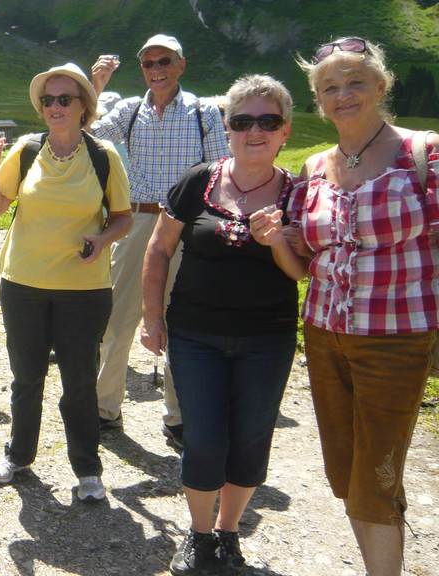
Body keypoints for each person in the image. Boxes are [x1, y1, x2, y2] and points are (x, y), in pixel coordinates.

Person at [283, 38, 439, 576]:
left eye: (354, 82)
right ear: (318, 100)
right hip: (325, 333)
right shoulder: (313, 166)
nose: (342, 95)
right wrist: (277, 239)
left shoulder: (423, 153)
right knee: (344, 467)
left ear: (380, 85)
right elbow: (307, 257)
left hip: (397, 336)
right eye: (330, 87)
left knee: (377, 471)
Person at [140, 75, 306, 575]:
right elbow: (158, 249)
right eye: (242, 121)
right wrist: (152, 319)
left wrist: (277, 240)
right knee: (205, 439)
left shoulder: (299, 193)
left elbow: (302, 272)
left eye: (267, 121)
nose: (254, 130)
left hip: (268, 339)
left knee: (251, 439)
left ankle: (229, 533)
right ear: (227, 129)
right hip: (195, 336)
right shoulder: (199, 181)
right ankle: (198, 535)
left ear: (285, 132)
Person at [0, 63, 131, 501]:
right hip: (23, 284)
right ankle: (18, 455)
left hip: (84, 290)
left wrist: (102, 240)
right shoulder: (26, 150)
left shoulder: (103, 156)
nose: (55, 106)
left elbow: (122, 217)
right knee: (26, 377)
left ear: (84, 105)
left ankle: (87, 470)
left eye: (65, 98)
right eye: (48, 100)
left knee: (80, 382)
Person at [89, 34, 230, 448]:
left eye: (164, 61)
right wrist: (95, 87)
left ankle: (180, 416)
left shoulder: (204, 112)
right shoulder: (131, 110)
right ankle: (104, 407)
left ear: (181, 65)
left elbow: (223, 170)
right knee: (119, 315)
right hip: (137, 221)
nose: (156, 70)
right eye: (148, 64)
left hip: (187, 227)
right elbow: (88, 136)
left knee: (183, 321)